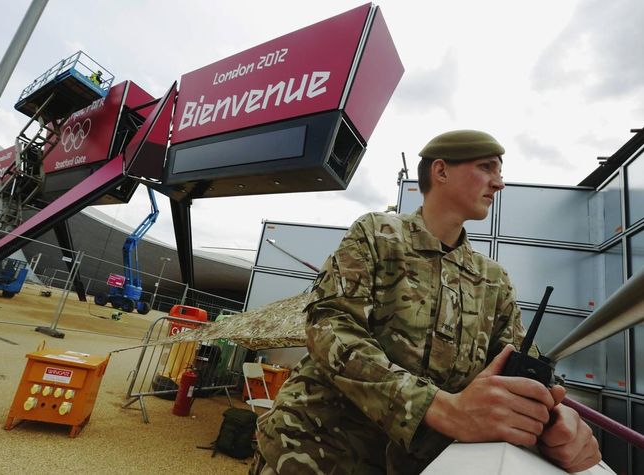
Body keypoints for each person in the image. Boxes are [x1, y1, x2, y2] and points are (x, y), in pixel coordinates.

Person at [252, 130, 601, 474]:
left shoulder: (494, 281)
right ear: (441, 171)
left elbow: (521, 366)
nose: (499, 183)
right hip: (315, 454)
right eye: (487, 167)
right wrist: (441, 409)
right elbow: (329, 327)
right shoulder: (377, 236)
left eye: (500, 171)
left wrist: (555, 419)